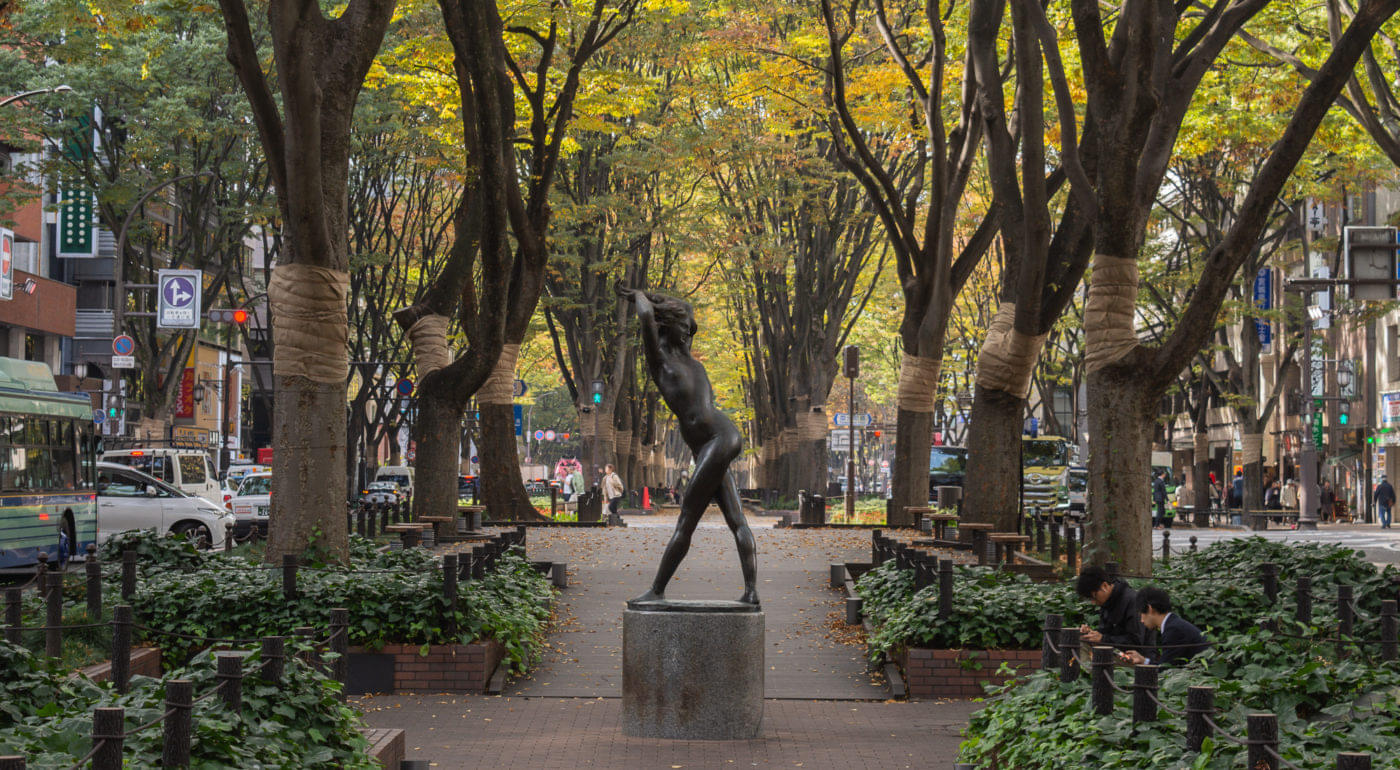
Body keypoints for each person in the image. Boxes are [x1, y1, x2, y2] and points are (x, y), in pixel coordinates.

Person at [618, 287, 758, 605]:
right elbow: (644, 316)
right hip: (712, 444)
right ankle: (751, 593)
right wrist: (640, 296)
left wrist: (644, 293)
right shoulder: (660, 361)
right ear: (668, 326)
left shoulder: (687, 359)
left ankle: (657, 590)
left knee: (687, 520)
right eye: (685, 326)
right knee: (736, 519)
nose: (689, 331)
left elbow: (664, 311)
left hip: (718, 439)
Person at [1121, 586, 1210, 667]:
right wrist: (1144, 660)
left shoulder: (1174, 630)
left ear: (1150, 609)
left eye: (1141, 614)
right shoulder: (1173, 624)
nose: (1141, 620)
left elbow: (1165, 669)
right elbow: (1165, 665)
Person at [1075, 565, 1147, 651]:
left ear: (1104, 586)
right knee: (1079, 643)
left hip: (1137, 657)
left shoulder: (1132, 601)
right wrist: (1091, 634)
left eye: (1094, 597)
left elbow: (1136, 641)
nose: (1093, 602)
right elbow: (1106, 632)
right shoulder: (1107, 602)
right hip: (1113, 652)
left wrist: (1103, 639)